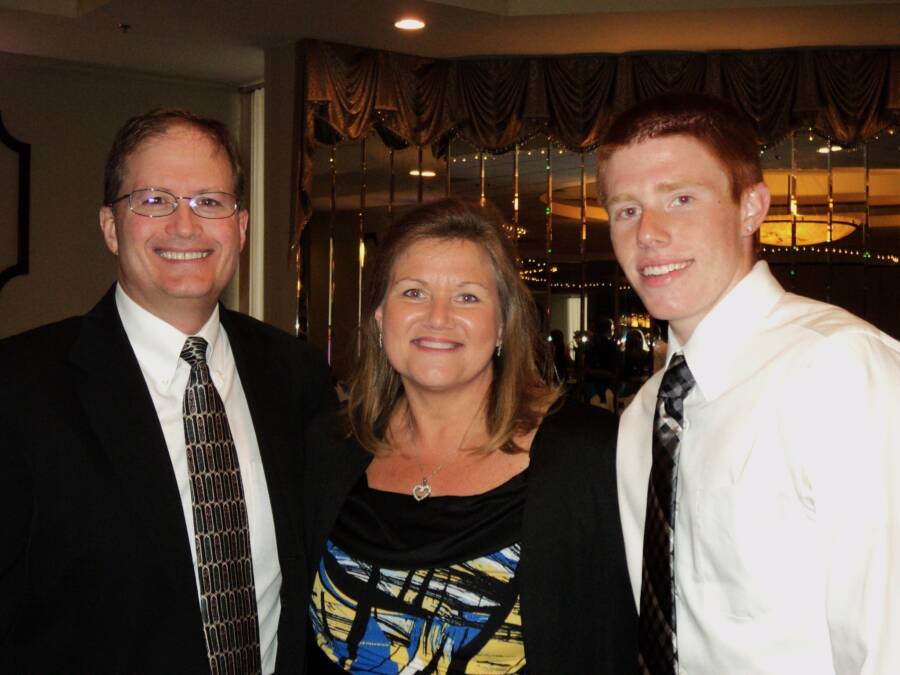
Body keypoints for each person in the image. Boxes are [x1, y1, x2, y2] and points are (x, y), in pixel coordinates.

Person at [0, 109, 333, 673]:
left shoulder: (296, 375)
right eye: (154, 200)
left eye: (210, 201)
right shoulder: (19, 389)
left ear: (241, 227)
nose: (185, 226)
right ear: (110, 226)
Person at [598, 92, 900, 674]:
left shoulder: (839, 371)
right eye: (626, 209)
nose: (649, 234)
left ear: (750, 207)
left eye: (681, 198)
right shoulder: (644, 415)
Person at [303, 198, 636, 674]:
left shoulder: (591, 456)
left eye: (467, 296)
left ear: (501, 325)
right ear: (381, 319)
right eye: (413, 293)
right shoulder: (330, 447)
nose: (437, 317)